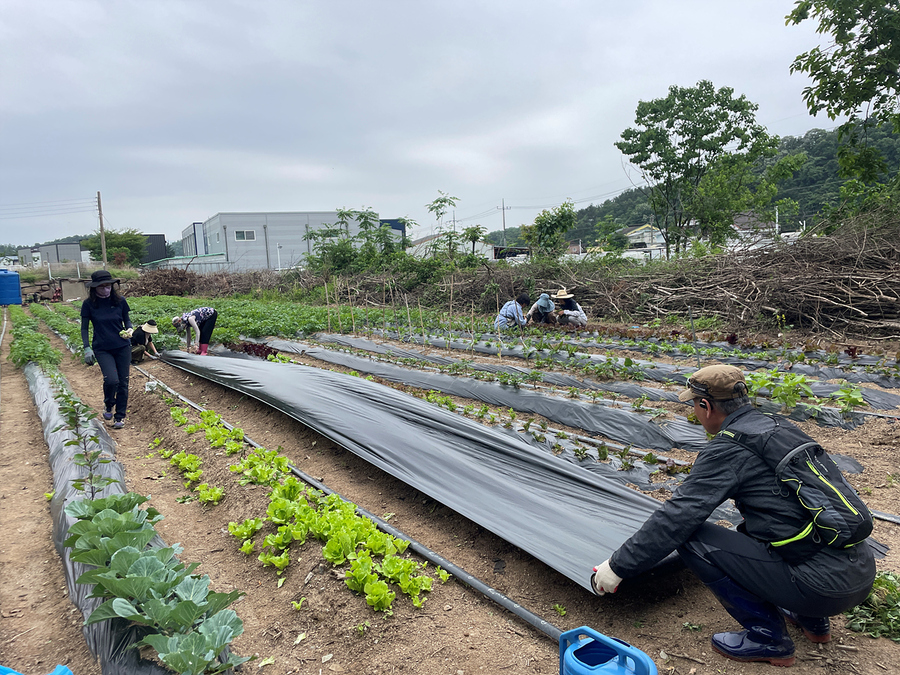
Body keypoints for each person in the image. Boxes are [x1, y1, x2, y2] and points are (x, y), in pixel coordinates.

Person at [591, 364, 875, 667]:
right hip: (859, 573)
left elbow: (678, 516)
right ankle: (813, 622)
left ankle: (768, 637)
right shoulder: (778, 427)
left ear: (706, 405)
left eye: (694, 405)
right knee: (762, 523)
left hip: (822, 588)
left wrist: (617, 566)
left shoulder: (731, 447)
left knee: (692, 538)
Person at [80, 270, 132, 429]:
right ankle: (109, 403)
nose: (105, 290)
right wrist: (87, 347)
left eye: (108, 286)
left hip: (122, 346)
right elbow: (84, 328)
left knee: (123, 382)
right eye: (101, 287)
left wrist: (129, 330)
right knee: (111, 380)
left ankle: (120, 416)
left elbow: (127, 320)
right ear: (94, 288)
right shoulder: (89, 304)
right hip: (102, 348)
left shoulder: (120, 301)